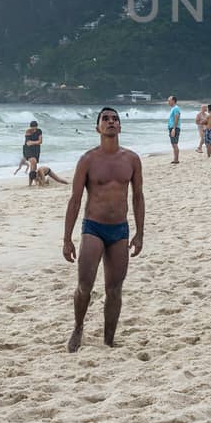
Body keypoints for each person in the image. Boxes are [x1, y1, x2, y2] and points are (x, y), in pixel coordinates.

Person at [63, 107, 145, 350]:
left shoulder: (131, 159)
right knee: (84, 285)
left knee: (114, 289)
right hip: (93, 228)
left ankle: (109, 340)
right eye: (105, 119)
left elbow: (138, 197)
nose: (111, 122)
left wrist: (140, 233)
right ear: (97, 127)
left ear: (120, 126)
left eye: (115, 119)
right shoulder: (88, 160)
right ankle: (78, 328)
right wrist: (67, 238)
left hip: (120, 230)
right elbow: (75, 199)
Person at [166, 96, 181, 164]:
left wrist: (174, 129)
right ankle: (175, 159)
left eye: (169, 100)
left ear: (173, 101)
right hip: (172, 128)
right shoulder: (173, 108)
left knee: (174, 144)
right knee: (173, 144)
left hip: (174, 128)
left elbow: (176, 118)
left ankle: (176, 160)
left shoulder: (176, 108)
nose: (168, 102)